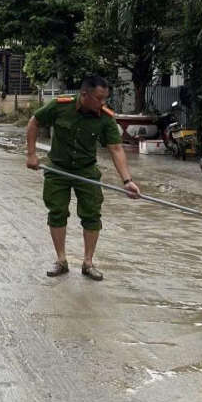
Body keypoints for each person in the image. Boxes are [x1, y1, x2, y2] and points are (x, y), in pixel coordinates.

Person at [26, 74, 141, 281]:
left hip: (86, 171)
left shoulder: (105, 117)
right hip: (58, 169)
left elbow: (116, 148)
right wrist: (32, 154)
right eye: (99, 98)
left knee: (91, 215)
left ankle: (88, 263)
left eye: (105, 98)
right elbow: (34, 122)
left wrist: (127, 181)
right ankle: (61, 260)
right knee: (57, 212)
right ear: (84, 94)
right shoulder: (59, 106)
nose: (103, 102)